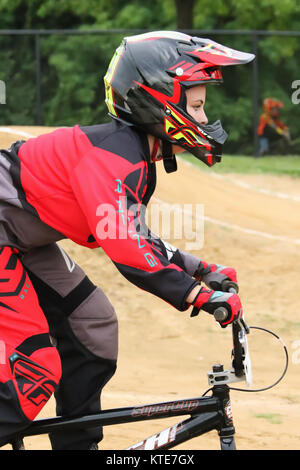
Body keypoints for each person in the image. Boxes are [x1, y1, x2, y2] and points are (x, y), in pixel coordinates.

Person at [0, 31, 254, 450]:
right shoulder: (113, 156)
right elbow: (126, 249)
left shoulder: (135, 155)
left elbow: (133, 234)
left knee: (93, 326)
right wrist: (197, 295)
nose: (205, 119)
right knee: (36, 371)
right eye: (196, 105)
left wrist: (200, 269)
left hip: (19, 237)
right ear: (157, 100)